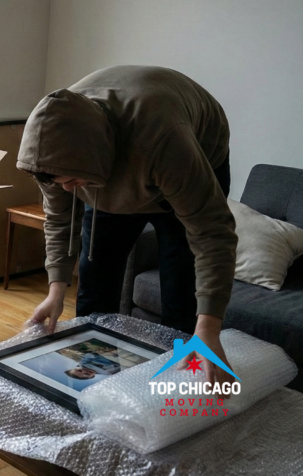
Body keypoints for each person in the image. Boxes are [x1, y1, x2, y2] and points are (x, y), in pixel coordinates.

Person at [16, 65, 237, 388]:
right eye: (61, 182)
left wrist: (209, 328)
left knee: (180, 292)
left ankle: (170, 388)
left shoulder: (165, 142)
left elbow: (212, 234)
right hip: (109, 166)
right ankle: (90, 386)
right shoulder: (53, 153)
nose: (66, 189)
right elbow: (61, 220)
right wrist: (55, 289)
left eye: (72, 181)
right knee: (95, 282)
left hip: (186, 155)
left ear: (92, 158)